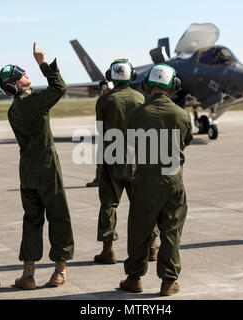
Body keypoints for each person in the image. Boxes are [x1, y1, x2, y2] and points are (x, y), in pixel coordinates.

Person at [0, 42, 74, 289]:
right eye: (21, 75)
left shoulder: (13, 109)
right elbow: (59, 87)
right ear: (15, 85)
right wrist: (42, 62)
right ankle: (59, 271)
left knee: (32, 220)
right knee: (58, 215)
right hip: (46, 166)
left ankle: (28, 275)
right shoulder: (33, 102)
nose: (26, 75)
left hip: (26, 168)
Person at [120, 64, 193, 296]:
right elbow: (186, 140)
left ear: (147, 86)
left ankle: (134, 279)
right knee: (171, 230)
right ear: (173, 87)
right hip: (172, 179)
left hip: (145, 179)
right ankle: (168, 282)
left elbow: (131, 142)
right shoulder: (182, 115)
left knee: (140, 229)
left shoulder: (137, 114)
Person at [94, 59, 159, 264]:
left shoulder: (104, 101)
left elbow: (101, 130)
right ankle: (151, 247)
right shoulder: (140, 97)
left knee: (109, 204)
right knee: (143, 204)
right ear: (132, 76)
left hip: (112, 159)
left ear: (110, 76)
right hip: (137, 160)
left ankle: (108, 249)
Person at [86, 80, 114, 188]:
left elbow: (100, 121)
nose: (102, 92)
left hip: (107, 133)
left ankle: (99, 179)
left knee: (102, 158)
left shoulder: (103, 101)